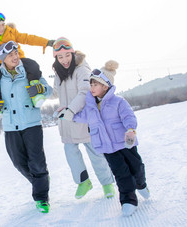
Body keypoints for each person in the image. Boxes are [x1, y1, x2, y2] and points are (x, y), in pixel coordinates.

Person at [72, 60, 150, 216]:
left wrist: (130, 129)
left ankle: (141, 184)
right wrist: (69, 114)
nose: (92, 88)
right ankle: (128, 200)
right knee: (121, 173)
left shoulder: (118, 101)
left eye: (95, 84)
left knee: (136, 168)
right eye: (91, 85)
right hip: (107, 147)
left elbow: (129, 116)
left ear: (105, 86)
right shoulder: (91, 106)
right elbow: (82, 117)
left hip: (124, 143)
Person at [0, 41, 53, 213]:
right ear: (2, 59)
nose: (14, 57)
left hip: (32, 124)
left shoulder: (29, 71)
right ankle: (41, 181)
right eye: (9, 55)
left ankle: (42, 198)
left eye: (15, 53)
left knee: (37, 162)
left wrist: (39, 88)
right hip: (10, 127)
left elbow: (48, 89)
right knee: (19, 163)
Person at [51, 37, 115, 199]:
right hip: (66, 121)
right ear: (56, 58)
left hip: (84, 118)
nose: (64, 60)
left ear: (72, 53)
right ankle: (83, 182)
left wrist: (71, 110)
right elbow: (55, 93)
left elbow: (85, 91)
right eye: (60, 57)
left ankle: (107, 183)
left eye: (67, 55)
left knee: (95, 153)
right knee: (70, 152)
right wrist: (39, 90)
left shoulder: (82, 69)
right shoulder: (58, 73)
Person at [0, 12, 54, 112]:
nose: (1, 28)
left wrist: (46, 42)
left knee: (32, 64)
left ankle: (35, 92)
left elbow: (28, 38)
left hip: (19, 59)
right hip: (1, 65)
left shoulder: (11, 32)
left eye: (2, 25)